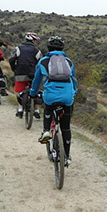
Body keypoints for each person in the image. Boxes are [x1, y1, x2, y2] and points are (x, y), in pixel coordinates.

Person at [30, 36, 77, 167]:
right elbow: (74, 80)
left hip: (51, 95)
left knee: (49, 107)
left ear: (48, 48)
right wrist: (74, 93)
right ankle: (66, 156)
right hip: (67, 96)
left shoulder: (44, 61)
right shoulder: (68, 61)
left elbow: (36, 80)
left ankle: (46, 130)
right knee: (66, 127)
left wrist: (33, 93)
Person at [9, 32, 43, 119]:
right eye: (36, 40)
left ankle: (20, 109)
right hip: (33, 74)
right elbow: (40, 64)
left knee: (19, 91)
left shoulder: (18, 48)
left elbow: (11, 59)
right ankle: (36, 110)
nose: (37, 42)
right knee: (35, 90)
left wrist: (15, 69)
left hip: (20, 73)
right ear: (32, 40)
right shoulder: (37, 51)